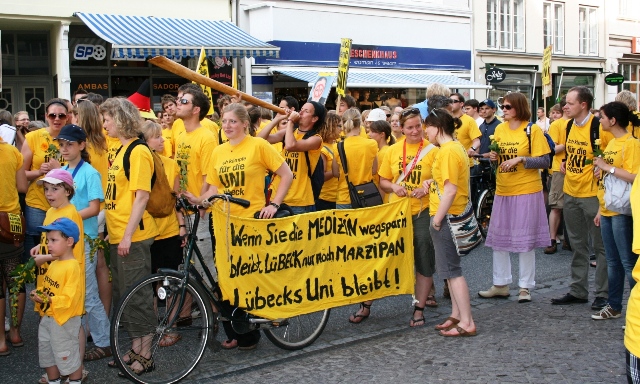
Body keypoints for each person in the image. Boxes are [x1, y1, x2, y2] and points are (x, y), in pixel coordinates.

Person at [190, 103, 293, 350]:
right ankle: (242, 329)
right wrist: (199, 202)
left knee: (251, 275)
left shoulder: (258, 145)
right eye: (224, 121)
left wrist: (274, 205)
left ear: (245, 123)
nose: (227, 126)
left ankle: (259, 321)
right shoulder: (218, 151)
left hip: (251, 223)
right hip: (222, 224)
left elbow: (286, 174)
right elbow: (215, 189)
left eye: (233, 121)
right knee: (228, 278)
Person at [100, 98, 158, 376]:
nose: (105, 124)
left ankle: (146, 354)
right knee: (127, 295)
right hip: (119, 235)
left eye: (107, 119)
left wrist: (126, 235)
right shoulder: (121, 150)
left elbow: (141, 197)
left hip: (132, 236)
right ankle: (136, 346)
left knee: (138, 296)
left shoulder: (138, 152)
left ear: (120, 119)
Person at [478, 92, 551, 303]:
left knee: (524, 240)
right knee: (499, 239)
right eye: (503, 106)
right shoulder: (499, 129)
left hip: (527, 189)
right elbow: (498, 158)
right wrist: (493, 157)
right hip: (503, 189)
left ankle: (525, 287)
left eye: (508, 106)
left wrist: (520, 159)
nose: (504, 110)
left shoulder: (532, 129)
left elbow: (545, 160)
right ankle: (500, 284)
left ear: (519, 108)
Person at [54, 124, 111, 363]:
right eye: (62, 144)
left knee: (88, 293)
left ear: (81, 145)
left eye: (69, 144)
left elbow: (95, 207)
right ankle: (80, 337)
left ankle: (104, 342)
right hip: (67, 240)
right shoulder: (64, 170)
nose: (65, 149)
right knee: (73, 291)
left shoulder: (89, 173)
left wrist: (70, 217)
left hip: (84, 239)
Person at [377, 107, 438, 326]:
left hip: (422, 211)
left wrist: (429, 185)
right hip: (396, 212)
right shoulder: (393, 151)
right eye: (409, 127)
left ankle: (419, 309)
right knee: (385, 259)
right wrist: (394, 186)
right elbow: (383, 180)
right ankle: (367, 304)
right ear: (401, 129)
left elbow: (442, 181)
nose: (415, 131)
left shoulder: (433, 151)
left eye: (418, 126)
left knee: (423, 257)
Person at [552, 86, 609, 310]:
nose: (565, 106)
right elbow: (571, 151)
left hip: (592, 194)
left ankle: (603, 293)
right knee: (577, 245)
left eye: (570, 103)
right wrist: (566, 161)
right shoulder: (568, 125)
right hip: (571, 191)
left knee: (601, 247)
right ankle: (578, 290)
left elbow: (610, 154)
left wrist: (603, 167)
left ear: (583, 104)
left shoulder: (598, 127)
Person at [423, 108, 477, 337]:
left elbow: (450, 189)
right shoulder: (455, 148)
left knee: (452, 272)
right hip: (450, 214)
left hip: (447, 216)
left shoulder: (447, 151)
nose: (426, 132)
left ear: (438, 128)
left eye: (428, 127)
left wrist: (436, 220)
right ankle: (457, 315)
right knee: (449, 270)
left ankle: (467, 321)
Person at [31, 169, 86, 381]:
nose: (49, 193)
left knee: (69, 334)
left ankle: (75, 370)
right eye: (46, 189)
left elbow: (70, 252)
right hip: (52, 278)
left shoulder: (70, 213)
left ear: (68, 190)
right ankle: (58, 372)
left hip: (66, 283)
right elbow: (52, 239)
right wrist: (41, 246)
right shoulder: (51, 212)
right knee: (50, 339)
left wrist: (46, 257)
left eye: (55, 189)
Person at [138, 121, 188, 346]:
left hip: (168, 231)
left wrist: (182, 226)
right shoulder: (138, 163)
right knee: (147, 284)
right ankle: (150, 328)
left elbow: (176, 198)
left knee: (169, 282)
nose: (162, 140)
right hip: (145, 232)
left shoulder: (171, 165)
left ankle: (171, 326)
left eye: (161, 136)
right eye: (157, 137)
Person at [591, 102, 640, 320]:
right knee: (612, 261)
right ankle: (614, 305)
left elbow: (634, 176)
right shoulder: (611, 143)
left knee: (628, 262)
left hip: (623, 210)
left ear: (612, 120)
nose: (599, 120)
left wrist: (606, 167)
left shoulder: (631, 144)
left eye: (601, 117)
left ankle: (634, 311)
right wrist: (601, 210)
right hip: (609, 207)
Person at [173, 87, 218, 281]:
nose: (178, 103)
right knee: (189, 265)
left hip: (200, 212)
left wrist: (201, 205)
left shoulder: (206, 137)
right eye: (178, 100)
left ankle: (217, 309)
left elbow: (209, 177)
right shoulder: (181, 135)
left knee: (205, 265)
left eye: (184, 101)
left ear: (196, 110)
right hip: (185, 210)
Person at [22, 99, 68, 263]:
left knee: (61, 242)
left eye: (61, 115)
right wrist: (38, 172)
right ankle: (34, 284)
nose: (57, 119)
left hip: (64, 203)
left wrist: (59, 170)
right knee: (36, 243)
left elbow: (80, 174)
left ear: (67, 117)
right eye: (52, 115)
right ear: (46, 116)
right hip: (38, 202)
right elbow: (21, 174)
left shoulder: (71, 139)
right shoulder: (33, 137)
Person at [263, 101, 325, 213]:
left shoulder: (316, 139)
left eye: (306, 111)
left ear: (314, 119)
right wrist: (277, 119)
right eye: (301, 109)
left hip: (299, 200)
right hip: (277, 196)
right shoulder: (289, 132)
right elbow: (261, 139)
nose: (300, 112)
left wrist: (290, 121)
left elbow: (291, 145)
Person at [0, 134, 28, 356]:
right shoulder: (12, 152)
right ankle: (16, 333)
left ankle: (1, 340)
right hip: (13, 220)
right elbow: (22, 187)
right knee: (15, 279)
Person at [332, 109, 378, 209]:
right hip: (366, 195)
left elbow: (335, 173)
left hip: (344, 197)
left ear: (343, 124)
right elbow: (374, 170)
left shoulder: (337, 146)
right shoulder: (371, 144)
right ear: (360, 123)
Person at [545, 99, 569, 254]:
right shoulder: (557, 125)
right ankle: (552, 239)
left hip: (579, 169)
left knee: (574, 208)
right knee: (556, 206)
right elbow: (553, 148)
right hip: (559, 168)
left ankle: (569, 239)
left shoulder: (582, 123)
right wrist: (570, 144)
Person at [316, 113, 341, 211]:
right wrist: (339, 167)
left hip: (338, 196)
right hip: (326, 198)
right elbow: (321, 176)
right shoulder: (322, 148)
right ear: (330, 127)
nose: (341, 129)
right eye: (339, 126)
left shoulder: (337, 145)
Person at [449, 93, 481, 164]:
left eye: (454, 101)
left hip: (466, 163)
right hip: (451, 161)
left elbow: (477, 141)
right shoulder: (446, 119)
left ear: (461, 104)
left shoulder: (469, 120)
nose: (451, 103)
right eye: (449, 101)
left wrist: (472, 149)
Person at [368, 119, 396, 202]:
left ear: (382, 134)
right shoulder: (380, 151)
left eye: (373, 132)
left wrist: (380, 202)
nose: (369, 134)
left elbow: (383, 181)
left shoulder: (384, 153)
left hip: (384, 198)